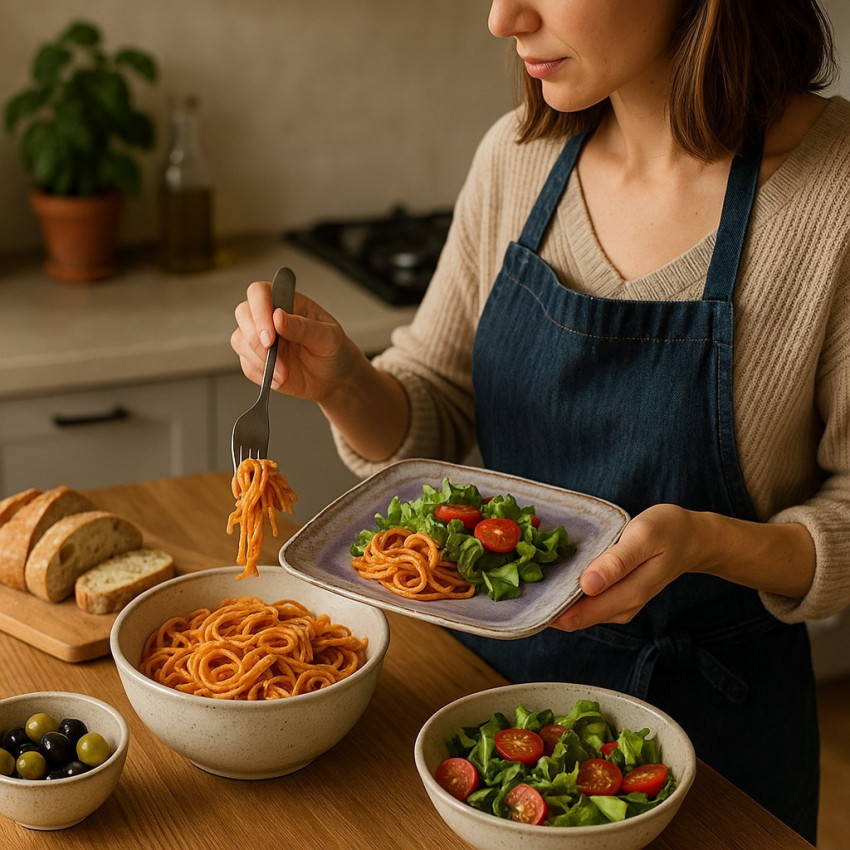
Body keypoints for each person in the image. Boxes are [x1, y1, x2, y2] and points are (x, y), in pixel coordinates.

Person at [232, 1, 849, 841]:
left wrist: (707, 543)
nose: (501, 18)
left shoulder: (836, 192)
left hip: (717, 737)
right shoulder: (518, 159)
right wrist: (345, 382)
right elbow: (435, 409)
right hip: (485, 722)